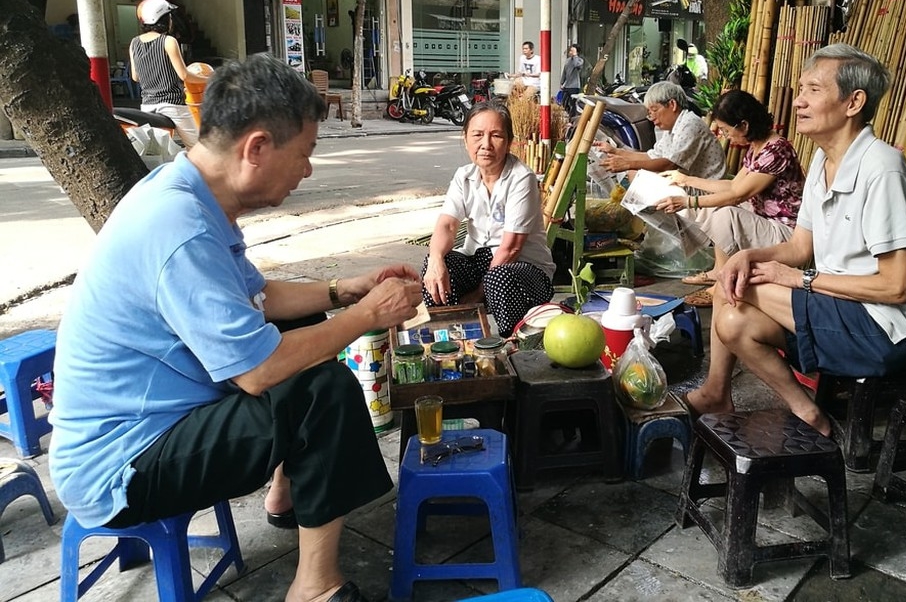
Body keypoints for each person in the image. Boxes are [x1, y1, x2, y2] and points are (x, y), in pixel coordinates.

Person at [49, 54, 422, 602]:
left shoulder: (188, 194)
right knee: (327, 390)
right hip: (123, 462)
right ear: (256, 149)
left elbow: (261, 297)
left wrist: (347, 290)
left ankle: (285, 494)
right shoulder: (178, 228)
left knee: (309, 323)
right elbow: (258, 370)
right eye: (305, 154)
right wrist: (367, 317)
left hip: (162, 420)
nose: (308, 171)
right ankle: (315, 587)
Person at [685, 44, 906, 437]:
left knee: (731, 288)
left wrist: (799, 279)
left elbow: (896, 287)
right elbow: (801, 247)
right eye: (801, 89)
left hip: (884, 328)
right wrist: (748, 255)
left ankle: (717, 392)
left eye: (813, 90)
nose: (798, 101)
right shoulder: (822, 159)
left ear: (853, 102)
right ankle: (806, 411)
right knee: (733, 320)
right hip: (838, 308)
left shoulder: (881, 168)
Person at [654, 90, 805, 306]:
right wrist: (686, 180)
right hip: (765, 218)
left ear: (743, 125)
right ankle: (719, 271)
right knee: (715, 204)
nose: (725, 136)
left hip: (786, 232)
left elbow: (737, 195)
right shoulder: (758, 147)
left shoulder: (777, 150)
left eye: (726, 130)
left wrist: (688, 201)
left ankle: (721, 282)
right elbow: (733, 185)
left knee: (725, 212)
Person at [422, 100, 555, 337]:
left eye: (496, 136)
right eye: (477, 135)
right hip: (481, 262)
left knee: (498, 278)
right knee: (438, 266)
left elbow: (511, 248)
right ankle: (448, 336)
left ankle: (509, 345)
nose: (485, 144)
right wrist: (435, 260)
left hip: (524, 272)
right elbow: (447, 225)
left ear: (509, 142)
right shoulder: (464, 176)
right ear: (465, 139)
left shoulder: (521, 178)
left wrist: (476, 297)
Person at [594, 81, 726, 180]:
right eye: (649, 113)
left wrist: (628, 164)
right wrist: (615, 151)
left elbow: (669, 165)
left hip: (705, 188)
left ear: (672, 105)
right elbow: (652, 156)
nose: (651, 118)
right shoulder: (673, 128)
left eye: (654, 110)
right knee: (635, 174)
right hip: (688, 182)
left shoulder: (689, 124)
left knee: (636, 176)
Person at [129, 0, 201, 147]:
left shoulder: (134, 43)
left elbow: (135, 77)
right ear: (163, 18)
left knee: (159, 150)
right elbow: (184, 75)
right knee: (198, 148)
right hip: (172, 105)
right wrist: (210, 78)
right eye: (169, 16)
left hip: (147, 106)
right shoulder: (168, 41)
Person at [558, 43, 584, 112]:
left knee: (573, 104)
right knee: (564, 103)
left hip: (574, 86)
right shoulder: (567, 60)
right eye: (570, 50)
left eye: (572, 50)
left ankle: (572, 118)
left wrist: (575, 55)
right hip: (566, 86)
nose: (570, 52)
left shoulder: (580, 60)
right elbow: (564, 72)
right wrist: (562, 82)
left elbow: (576, 65)